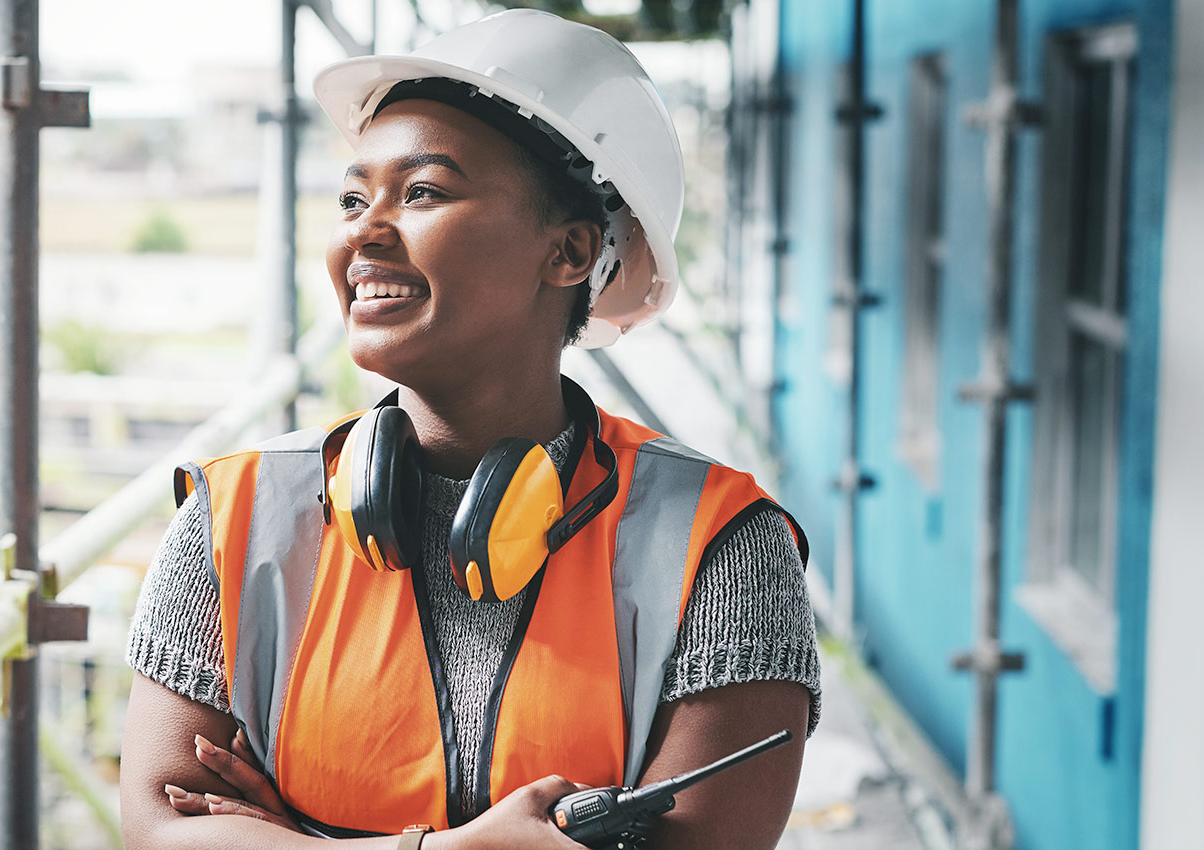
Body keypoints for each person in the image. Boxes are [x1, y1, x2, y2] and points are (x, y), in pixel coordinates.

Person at [119, 10, 819, 850]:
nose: (362, 232)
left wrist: (296, 840)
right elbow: (161, 834)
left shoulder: (719, 543)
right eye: (352, 196)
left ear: (567, 252)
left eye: (422, 192)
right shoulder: (235, 518)